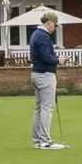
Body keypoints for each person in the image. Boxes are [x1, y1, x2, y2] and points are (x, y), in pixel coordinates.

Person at [29, 11, 65, 150]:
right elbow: (46, 57)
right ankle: (45, 140)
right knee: (47, 108)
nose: (54, 28)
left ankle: (38, 140)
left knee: (39, 108)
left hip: (37, 74)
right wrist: (59, 60)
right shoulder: (43, 36)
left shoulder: (35, 34)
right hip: (45, 75)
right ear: (49, 22)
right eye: (54, 26)